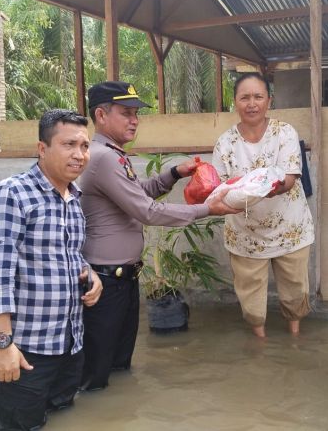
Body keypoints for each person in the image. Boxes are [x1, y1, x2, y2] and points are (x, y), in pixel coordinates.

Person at [77, 81, 239, 391]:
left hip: (120, 278)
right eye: (126, 113)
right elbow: (147, 211)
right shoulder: (103, 158)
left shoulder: (112, 155)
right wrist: (207, 209)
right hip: (105, 282)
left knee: (117, 366)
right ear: (101, 115)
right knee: (97, 374)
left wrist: (174, 173)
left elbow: (138, 194)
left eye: (136, 114)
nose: (134, 120)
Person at [0, 109, 103, 430]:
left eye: (85, 146)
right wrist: (2, 346)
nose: (79, 155)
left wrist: (91, 274)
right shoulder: (12, 194)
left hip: (69, 343)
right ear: (42, 149)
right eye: (69, 145)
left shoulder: (73, 199)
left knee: (62, 413)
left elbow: (70, 254)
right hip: (25, 350)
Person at [211, 72, 315, 338]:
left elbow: (289, 180)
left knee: (295, 290)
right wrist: (230, 198)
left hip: (289, 227)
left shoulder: (285, 133)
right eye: (245, 97)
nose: (252, 103)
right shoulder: (225, 143)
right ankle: (260, 338)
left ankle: (294, 334)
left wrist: (251, 188)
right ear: (235, 102)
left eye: (258, 96)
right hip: (245, 232)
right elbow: (219, 188)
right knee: (251, 299)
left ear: (269, 100)